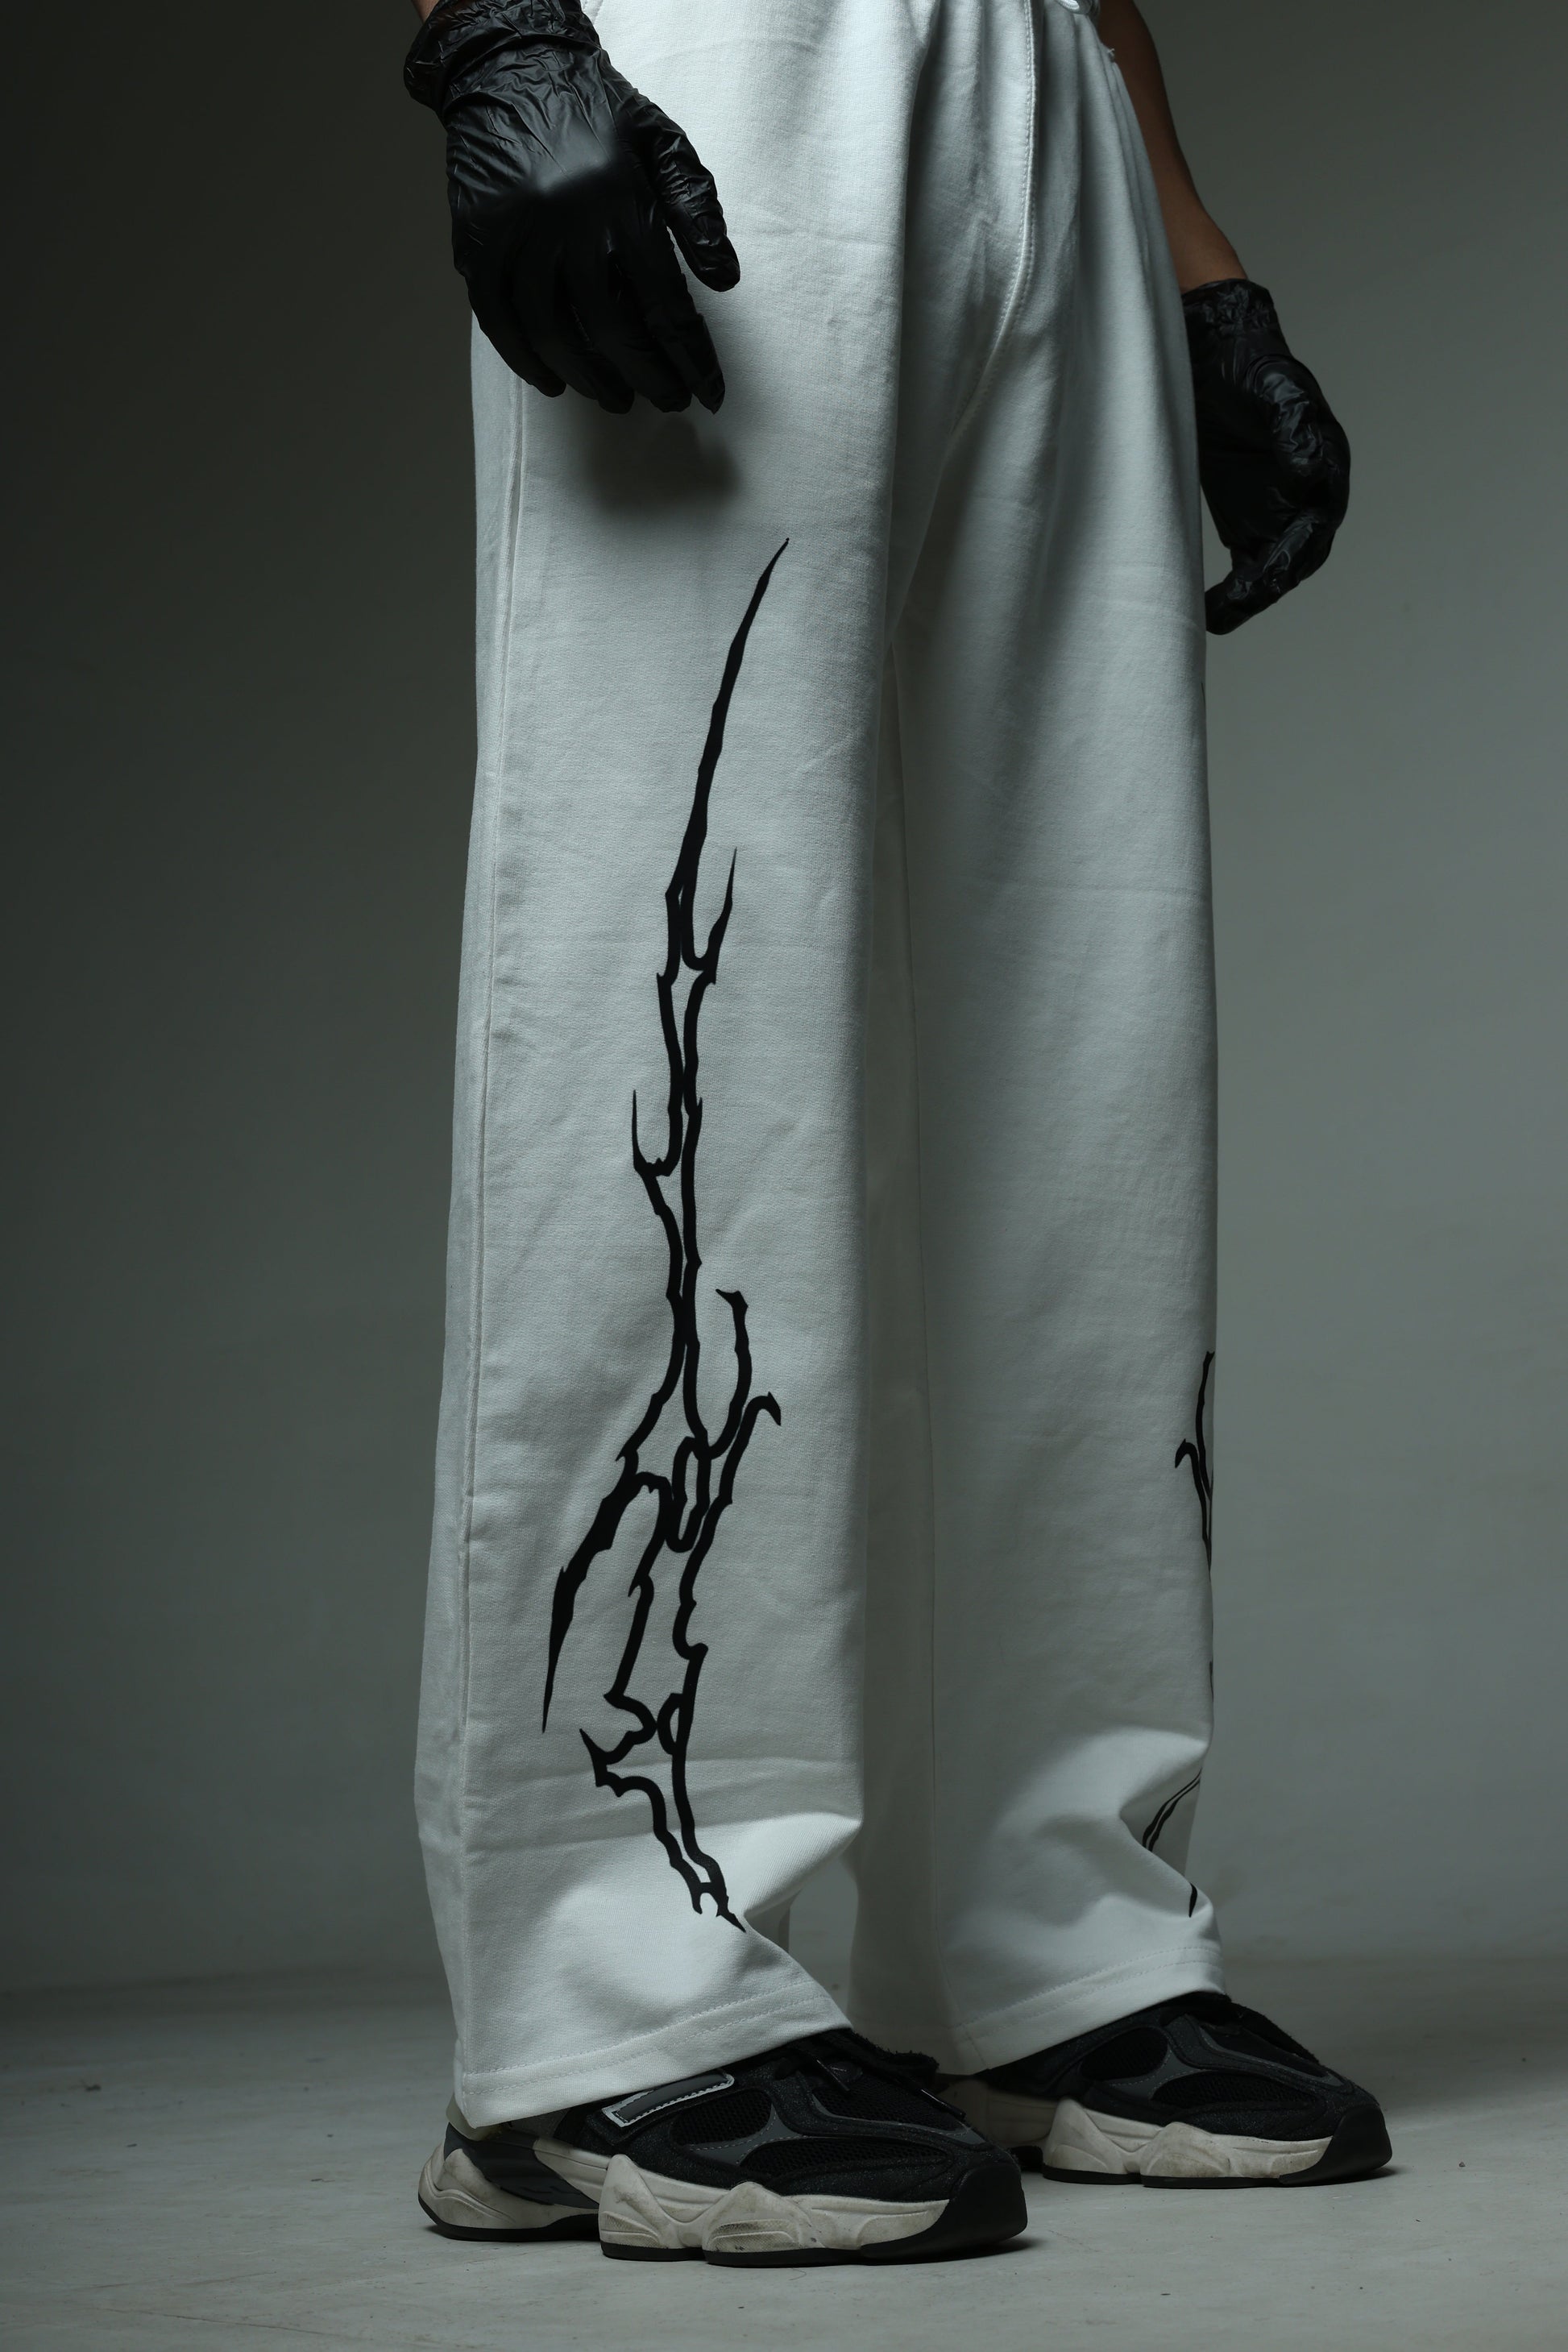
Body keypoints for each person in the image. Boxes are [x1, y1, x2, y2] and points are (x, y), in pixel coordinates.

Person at [402, 0, 1383, 2265]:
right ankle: (612, 2004)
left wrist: (1191, 255)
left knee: (1073, 1022)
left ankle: (1042, 1936)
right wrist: (495, 31)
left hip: (1038, 91)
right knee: (679, 966)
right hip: (714, 61)